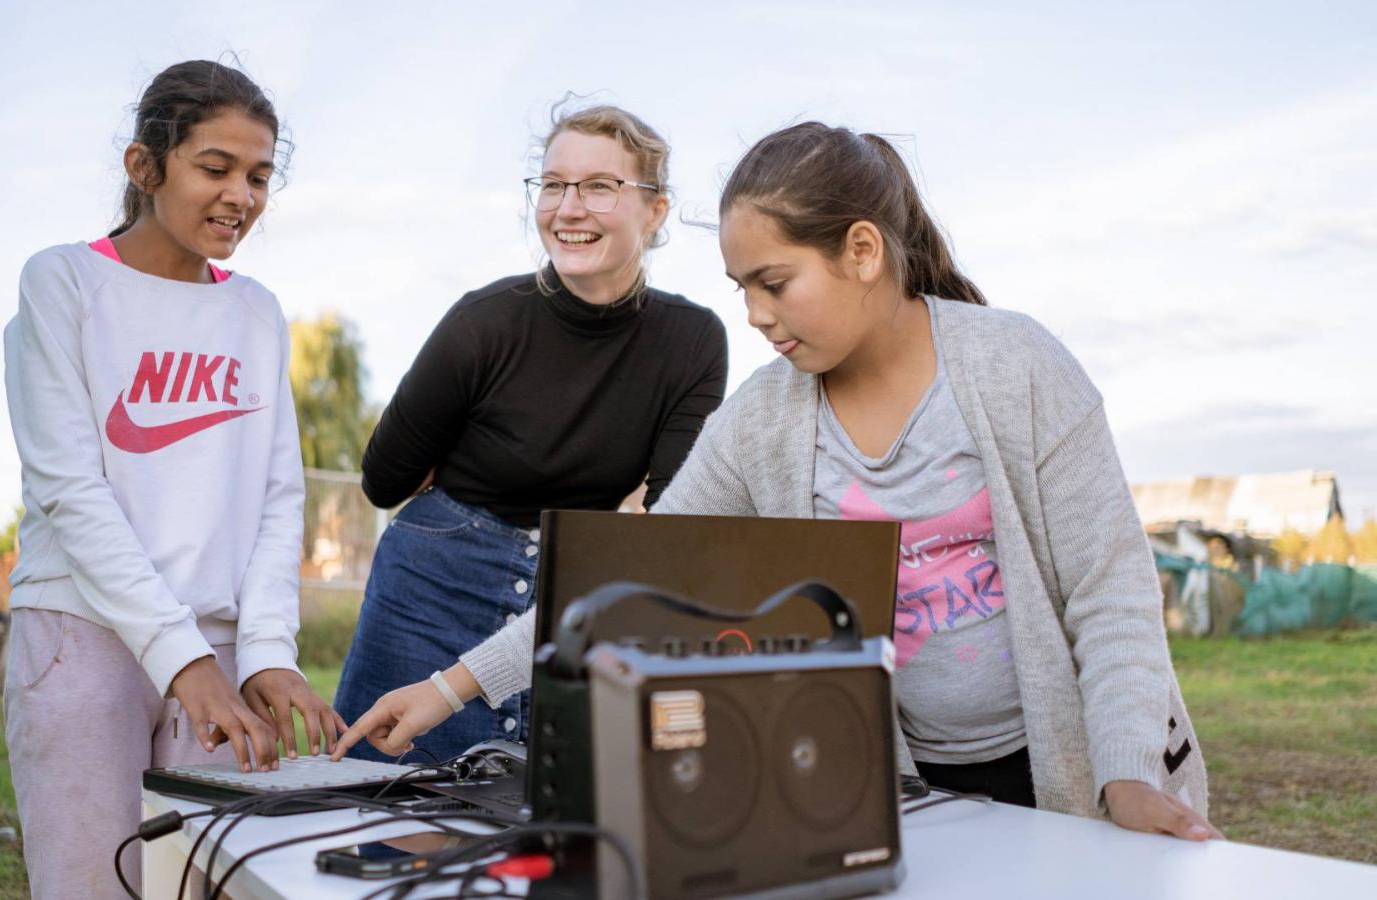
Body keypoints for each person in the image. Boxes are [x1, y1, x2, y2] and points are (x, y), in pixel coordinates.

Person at [332, 121, 1222, 844]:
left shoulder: (1015, 366)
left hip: (1074, 770)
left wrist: (1128, 776)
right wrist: (452, 687)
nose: (753, 314)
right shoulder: (766, 418)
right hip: (910, 786)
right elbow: (631, 570)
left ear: (863, 252)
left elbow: (1110, 595)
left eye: (774, 282)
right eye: (739, 287)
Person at [1, 60, 342, 898]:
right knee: (92, 883)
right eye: (215, 168)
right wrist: (179, 657)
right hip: (82, 635)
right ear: (145, 167)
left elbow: (275, 497)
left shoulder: (255, 309)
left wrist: (265, 652)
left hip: (221, 651)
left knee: (209, 882)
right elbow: (70, 491)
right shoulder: (64, 282)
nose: (242, 196)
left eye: (260, 176)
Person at [330, 103, 728, 763]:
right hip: (431, 588)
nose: (568, 207)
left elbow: (667, 520)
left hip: (577, 591)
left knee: (549, 829)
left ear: (655, 211)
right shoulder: (483, 322)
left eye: (600, 186)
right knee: (384, 818)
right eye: (553, 184)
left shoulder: (692, 341)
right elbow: (385, 480)